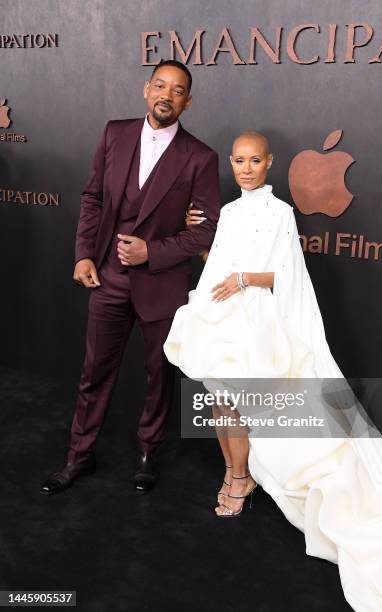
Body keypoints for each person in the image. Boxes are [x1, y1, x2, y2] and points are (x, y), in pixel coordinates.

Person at [164, 131, 382, 611]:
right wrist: (207, 253)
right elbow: (218, 264)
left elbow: (287, 274)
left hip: (262, 319)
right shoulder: (227, 213)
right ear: (233, 162)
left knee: (244, 399)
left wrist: (245, 279)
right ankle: (234, 473)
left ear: (269, 163)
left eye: (255, 161)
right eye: (239, 161)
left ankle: (240, 477)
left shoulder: (280, 213)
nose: (246, 169)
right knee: (221, 398)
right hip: (222, 316)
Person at [40, 60, 220, 495]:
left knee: (159, 374)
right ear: (146, 90)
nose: (166, 95)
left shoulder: (201, 156)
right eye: (160, 85)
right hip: (107, 277)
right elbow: (93, 198)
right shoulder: (113, 134)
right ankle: (79, 455)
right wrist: (84, 254)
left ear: (187, 101)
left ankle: (147, 452)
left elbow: (206, 229)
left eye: (177, 90)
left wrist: (151, 251)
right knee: (94, 372)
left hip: (163, 283)